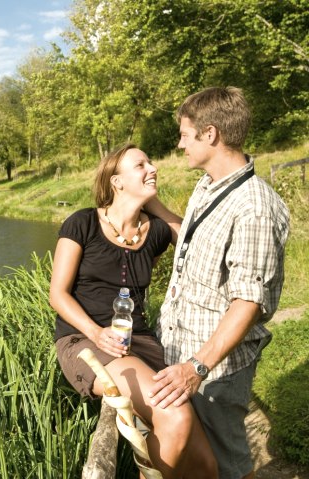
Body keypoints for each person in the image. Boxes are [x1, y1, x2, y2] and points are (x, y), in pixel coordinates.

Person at [50, 144, 217, 479]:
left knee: (205, 467)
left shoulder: (154, 231)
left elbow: (194, 246)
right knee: (177, 416)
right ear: (117, 181)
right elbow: (58, 294)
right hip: (86, 340)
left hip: (140, 344)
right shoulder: (82, 223)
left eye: (151, 162)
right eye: (140, 165)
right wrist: (97, 332)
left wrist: (152, 201)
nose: (152, 167)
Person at [147, 87, 290, 479]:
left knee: (226, 463)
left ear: (210, 134)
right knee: (195, 461)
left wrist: (197, 367)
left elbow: (248, 302)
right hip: (181, 353)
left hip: (216, 369)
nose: (179, 144)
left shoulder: (254, 208)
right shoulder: (209, 185)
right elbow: (192, 239)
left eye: (184, 134)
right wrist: (152, 205)